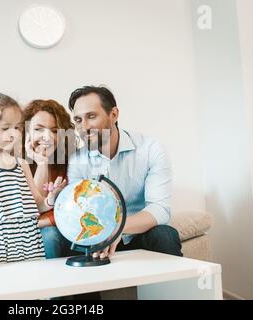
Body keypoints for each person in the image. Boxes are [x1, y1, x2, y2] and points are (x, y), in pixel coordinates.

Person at [67, 85, 183, 259]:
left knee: (165, 235)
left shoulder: (150, 149)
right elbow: (78, 211)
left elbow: (160, 209)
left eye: (91, 116)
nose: (83, 126)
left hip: (138, 234)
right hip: (98, 236)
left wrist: (118, 228)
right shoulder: (77, 160)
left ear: (114, 114)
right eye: (77, 120)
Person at [0, 82, 66, 272]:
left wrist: (51, 199)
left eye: (17, 128)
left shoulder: (22, 164)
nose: (14, 134)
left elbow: (38, 203)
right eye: (5, 128)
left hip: (29, 242)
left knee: (33, 289)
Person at [22, 99, 77, 258]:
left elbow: (75, 209)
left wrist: (42, 223)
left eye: (54, 131)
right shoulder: (14, 164)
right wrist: (42, 163)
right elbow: (32, 211)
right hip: (36, 235)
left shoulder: (71, 163)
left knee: (49, 233)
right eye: (39, 129)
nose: (47, 137)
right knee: (48, 234)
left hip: (66, 231)